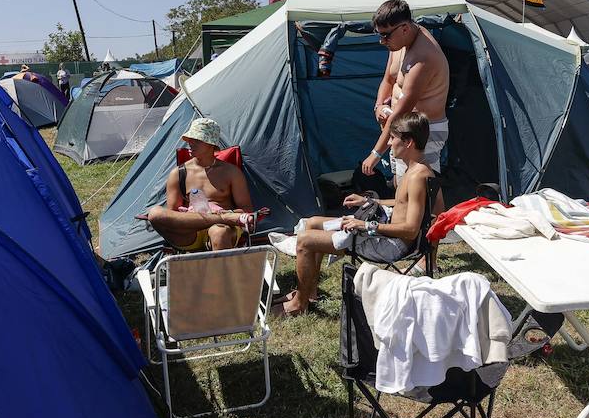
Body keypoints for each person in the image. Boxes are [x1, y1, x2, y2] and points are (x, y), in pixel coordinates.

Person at [281, 112, 434, 316]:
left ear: (408, 142)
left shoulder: (417, 176)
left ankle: (298, 305)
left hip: (391, 246)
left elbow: (410, 230)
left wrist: (366, 226)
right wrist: (369, 202)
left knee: (305, 239)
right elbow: (402, 203)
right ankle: (310, 292)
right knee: (312, 223)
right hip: (386, 235)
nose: (388, 143)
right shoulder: (415, 169)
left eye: (393, 138)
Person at [360, 0, 450, 187]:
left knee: (419, 190)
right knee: (401, 186)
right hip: (399, 129)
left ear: (404, 28)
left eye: (385, 35)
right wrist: (379, 106)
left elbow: (403, 109)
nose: (382, 41)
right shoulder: (398, 43)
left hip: (424, 131)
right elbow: (388, 79)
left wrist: (376, 153)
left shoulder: (424, 56)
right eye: (379, 35)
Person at [145, 117, 257, 252]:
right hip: (191, 231)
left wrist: (223, 213)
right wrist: (215, 217)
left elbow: (246, 210)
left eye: (196, 140)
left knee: (219, 233)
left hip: (224, 228)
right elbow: (174, 214)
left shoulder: (231, 172)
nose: (190, 144)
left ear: (211, 144)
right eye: (189, 140)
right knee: (155, 213)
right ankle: (221, 218)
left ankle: (220, 270)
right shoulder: (178, 173)